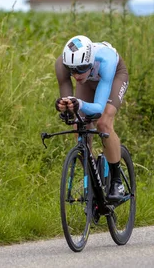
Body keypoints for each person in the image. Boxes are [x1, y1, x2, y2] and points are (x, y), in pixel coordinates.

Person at [54, 35, 129, 202]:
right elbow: (70, 105)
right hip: (89, 81)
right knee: (77, 125)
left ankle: (117, 182)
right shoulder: (62, 65)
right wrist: (64, 106)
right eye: (72, 70)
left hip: (114, 76)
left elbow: (98, 108)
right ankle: (94, 175)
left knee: (103, 123)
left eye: (81, 69)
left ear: (89, 61)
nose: (76, 75)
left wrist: (78, 103)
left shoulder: (106, 60)